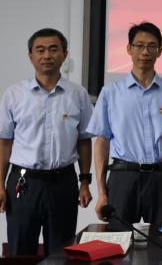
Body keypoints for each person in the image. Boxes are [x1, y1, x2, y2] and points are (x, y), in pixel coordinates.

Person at [88, 21, 162, 226]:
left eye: (152, 46)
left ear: (160, 51)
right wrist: (101, 192)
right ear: (129, 49)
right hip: (123, 176)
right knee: (119, 238)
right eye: (140, 45)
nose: (145, 52)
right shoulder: (111, 92)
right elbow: (101, 141)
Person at [0, 28, 93, 255]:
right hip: (23, 183)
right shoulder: (14, 95)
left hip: (63, 182)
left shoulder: (78, 94)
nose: (47, 55)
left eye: (53, 49)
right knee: (21, 249)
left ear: (64, 54)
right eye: (40, 50)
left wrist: (84, 182)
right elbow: (4, 143)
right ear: (30, 55)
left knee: (61, 251)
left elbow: (84, 141)